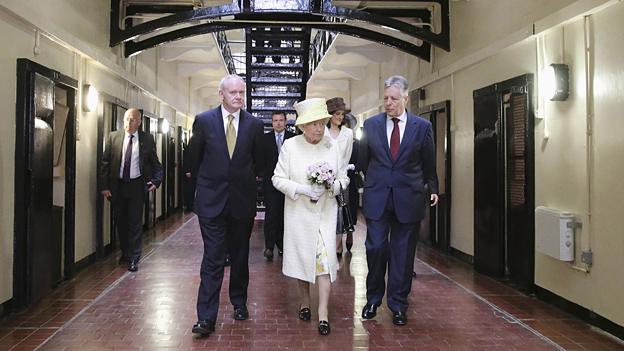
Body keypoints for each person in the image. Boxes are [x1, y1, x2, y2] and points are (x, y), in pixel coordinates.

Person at [358, 75, 439, 326]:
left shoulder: (422, 127)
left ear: (406, 98)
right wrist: (369, 182)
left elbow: (428, 162)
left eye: (394, 98)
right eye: (385, 98)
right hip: (378, 196)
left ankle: (398, 304)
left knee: (403, 254)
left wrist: (433, 187)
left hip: (409, 197)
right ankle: (373, 299)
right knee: (375, 248)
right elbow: (362, 160)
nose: (389, 103)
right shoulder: (370, 125)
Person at [190, 74, 264, 337]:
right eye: (232, 92)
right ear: (221, 94)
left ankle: (239, 302)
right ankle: (206, 317)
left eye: (242, 92)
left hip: (241, 203)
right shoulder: (204, 121)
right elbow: (193, 161)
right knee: (213, 258)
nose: (238, 97)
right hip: (211, 202)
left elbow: (259, 163)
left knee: (240, 255)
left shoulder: (254, 125)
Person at [272, 98, 349, 336]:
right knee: (303, 262)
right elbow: (277, 179)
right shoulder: (291, 146)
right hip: (299, 215)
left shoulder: (332, 146)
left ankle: (323, 314)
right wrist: (303, 189)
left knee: (324, 264)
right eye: (314, 124)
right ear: (303, 126)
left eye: (322, 123)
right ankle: (305, 301)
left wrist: (331, 187)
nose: (319, 128)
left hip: (325, 215)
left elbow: (344, 178)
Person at [100, 108, 163, 272]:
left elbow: (155, 163)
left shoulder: (147, 139)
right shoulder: (113, 137)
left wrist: (156, 181)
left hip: (136, 185)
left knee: (135, 222)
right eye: (127, 119)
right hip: (118, 186)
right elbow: (105, 163)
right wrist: (104, 186)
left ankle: (134, 258)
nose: (129, 122)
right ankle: (126, 253)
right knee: (120, 222)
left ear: (139, 122)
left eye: (132, 119)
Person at [259, 111, 295, 261]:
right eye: (275, 120)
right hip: (270, 182)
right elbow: (259, 159)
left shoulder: (293, 139)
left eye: (281, 120)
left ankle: (282, 245)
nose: (278, 123)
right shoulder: (264, 139)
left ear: (286, 122)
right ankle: (269, 246)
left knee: (285, 214)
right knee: (271, 214)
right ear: (272, 122)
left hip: (289, 182)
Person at [324, 97, 354, 257]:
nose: (340, 117)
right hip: (324, 177)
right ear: (330, 115)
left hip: (342, 178)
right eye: (337, 114)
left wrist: (341, 176)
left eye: (342, 114)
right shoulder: (323, 131)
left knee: (341, 210)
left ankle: (338, 245)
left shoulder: (348, 134)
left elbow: (347, 156)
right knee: (327, 212)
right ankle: (328, 245)